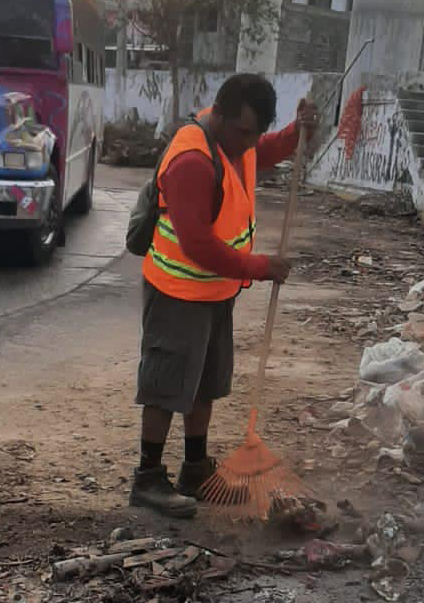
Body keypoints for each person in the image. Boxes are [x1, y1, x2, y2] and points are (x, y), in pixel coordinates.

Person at [131, 73, 320, 518]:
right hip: (177, 290)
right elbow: (197, 244)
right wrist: (260, 267)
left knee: (206, 384)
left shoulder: (238, 144)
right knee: (165, 386)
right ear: (218, 113)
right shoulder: (192, 161)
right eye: (242, 132)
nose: (249, 143)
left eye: (254, 134)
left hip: (215, 292)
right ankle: (148, 478)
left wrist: (296, 132)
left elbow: (267, 150)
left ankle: (195, 469)